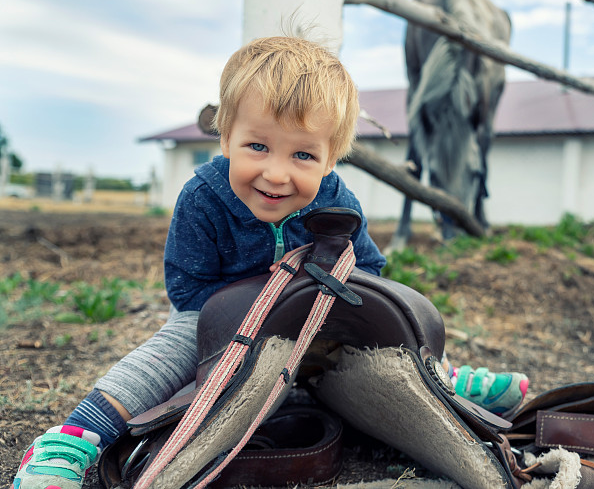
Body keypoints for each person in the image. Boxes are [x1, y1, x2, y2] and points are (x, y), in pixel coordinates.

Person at [13, 36, 528, 489]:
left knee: (390, 342)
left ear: (331, 158)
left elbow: (368, 273)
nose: (276, 174)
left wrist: (337, 315)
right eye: (257, 146)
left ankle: (443, 377)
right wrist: (260, 312)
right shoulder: (203, 197)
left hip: (319, 318)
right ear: (226, 138)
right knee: (170, 351)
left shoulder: (337, 200)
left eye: (303, 156)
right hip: (221, 317)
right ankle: (77, 434)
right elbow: (188, 290)